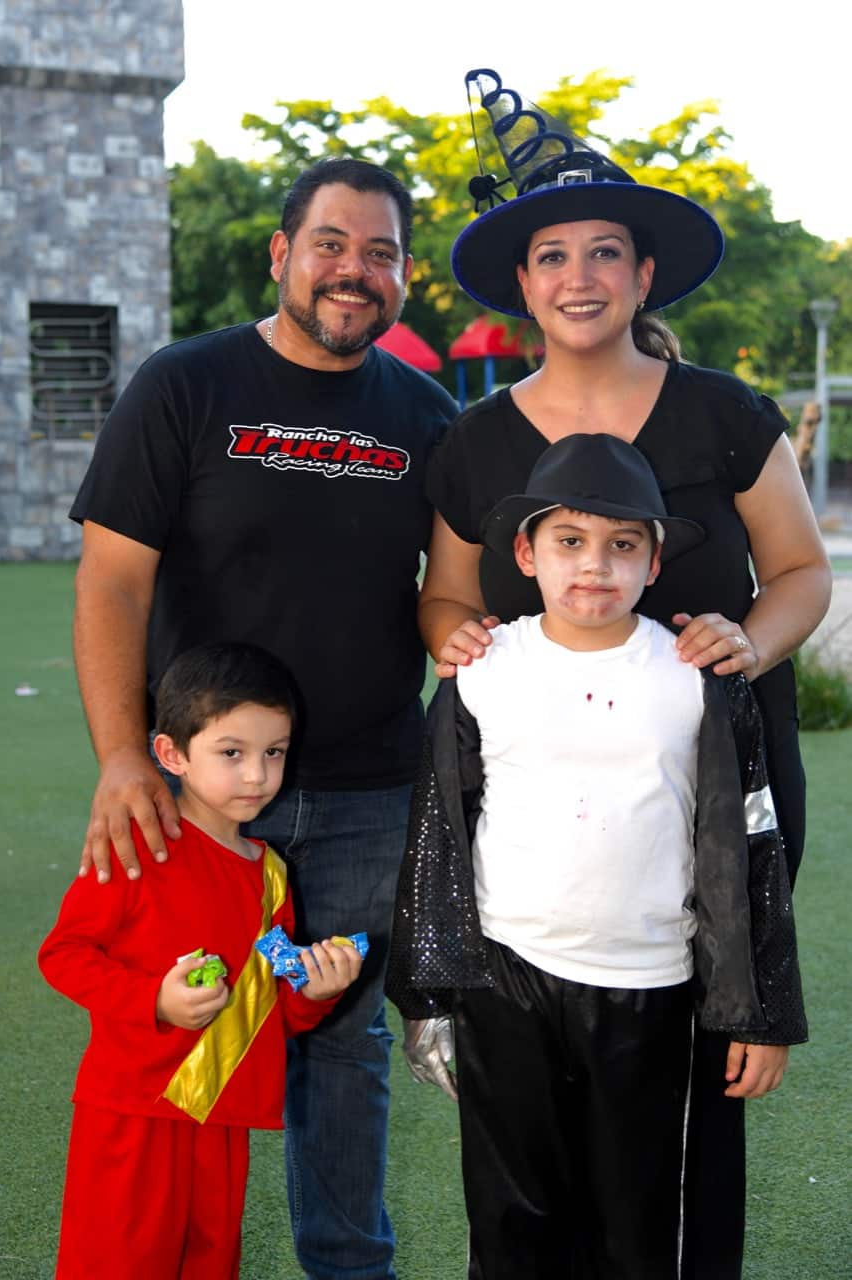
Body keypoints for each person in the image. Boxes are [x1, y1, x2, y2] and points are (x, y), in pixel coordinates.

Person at [413, 69, 830, 1277]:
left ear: (644, 275)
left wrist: (753, 639)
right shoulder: (474, 440)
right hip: (534, 821)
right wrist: (449, 635)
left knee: (683, 1102)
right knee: (532, 1121)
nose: (579, 276)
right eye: (552, 254)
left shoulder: (722, 412)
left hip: (701, 787)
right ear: (522, 283)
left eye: (606, 251)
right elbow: (446, 593)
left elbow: (800, 568)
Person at [69, 157, 457, 1280]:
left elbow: (455, 591)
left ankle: (349, 1266)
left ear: (402, 279)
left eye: (379, 252)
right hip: (196, 794)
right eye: (331, 243)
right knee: (179, 1017)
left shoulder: (427, 416)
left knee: (339, 1040)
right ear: (282, 253)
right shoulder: (184, 383)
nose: (354, 270)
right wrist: (118, 758)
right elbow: (110, 583)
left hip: (364, 785)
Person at [387, 433, 807, 1279]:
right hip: (509, 980)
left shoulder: (697, 674)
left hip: (652, 987)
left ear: (654, 563)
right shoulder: (480, 671)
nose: (594, 566)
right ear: (524, 552)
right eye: (568, 541)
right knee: (515, 1223)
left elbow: (751, 840)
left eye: (622, 545)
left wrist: (760, 1011)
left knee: (641, 1225)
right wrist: (429, 995)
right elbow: (438, 832)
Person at [40, 641, 363, 1279]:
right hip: (134, 1112)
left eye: (274, 753)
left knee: (209, 1265)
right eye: (232, 753)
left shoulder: (270, 875)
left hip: (222, 1115)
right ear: (172, 755)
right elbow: (64, 955)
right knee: (118, 1265)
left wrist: (315, 991)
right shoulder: (137, 847)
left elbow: (271, 1006)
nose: (257, 776)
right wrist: (153, 1000)